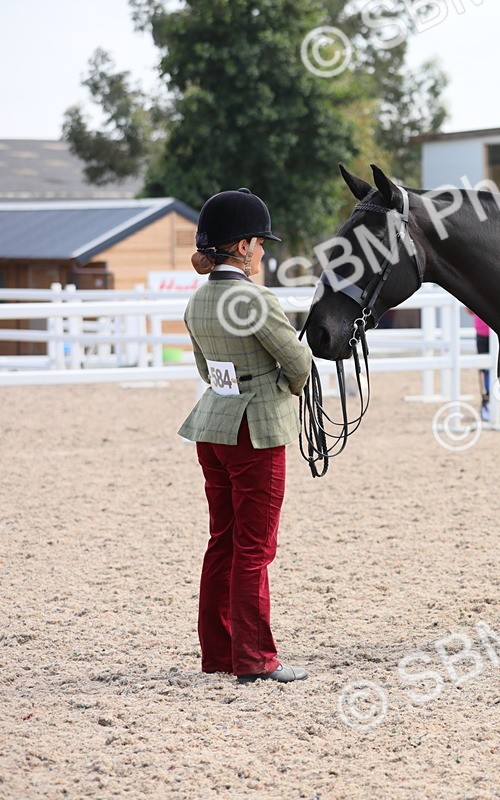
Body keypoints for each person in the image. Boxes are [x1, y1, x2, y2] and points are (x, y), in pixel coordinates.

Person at [178, 188, 313, 684]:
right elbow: (298, 363)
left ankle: (218, 652)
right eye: (258, 243)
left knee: (224, 542)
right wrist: (281, 386)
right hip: (254, 433)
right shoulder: (255, 299)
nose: (262, 252)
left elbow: (205, 368)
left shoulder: (197, 302)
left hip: (211, 428)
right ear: (241, 246)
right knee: (255, 548)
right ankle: (255, 659)